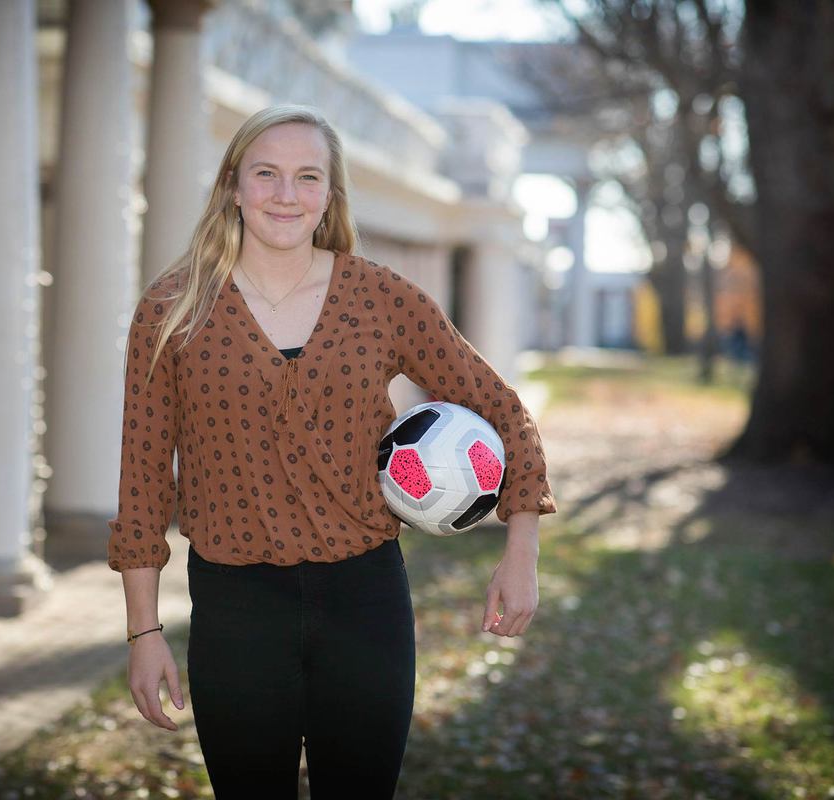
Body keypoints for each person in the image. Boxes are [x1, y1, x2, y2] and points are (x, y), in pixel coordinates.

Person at [107, 104, 557, 799]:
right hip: (235, 607)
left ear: (329, 194)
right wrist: (144, 632)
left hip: (365, 598)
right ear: (233, 185)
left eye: (307, 176)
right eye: (267, 173)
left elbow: (502, 409)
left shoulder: (381, 298)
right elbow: (141, 481)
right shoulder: (173, 308)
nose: (286, 194)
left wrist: (520, 552)